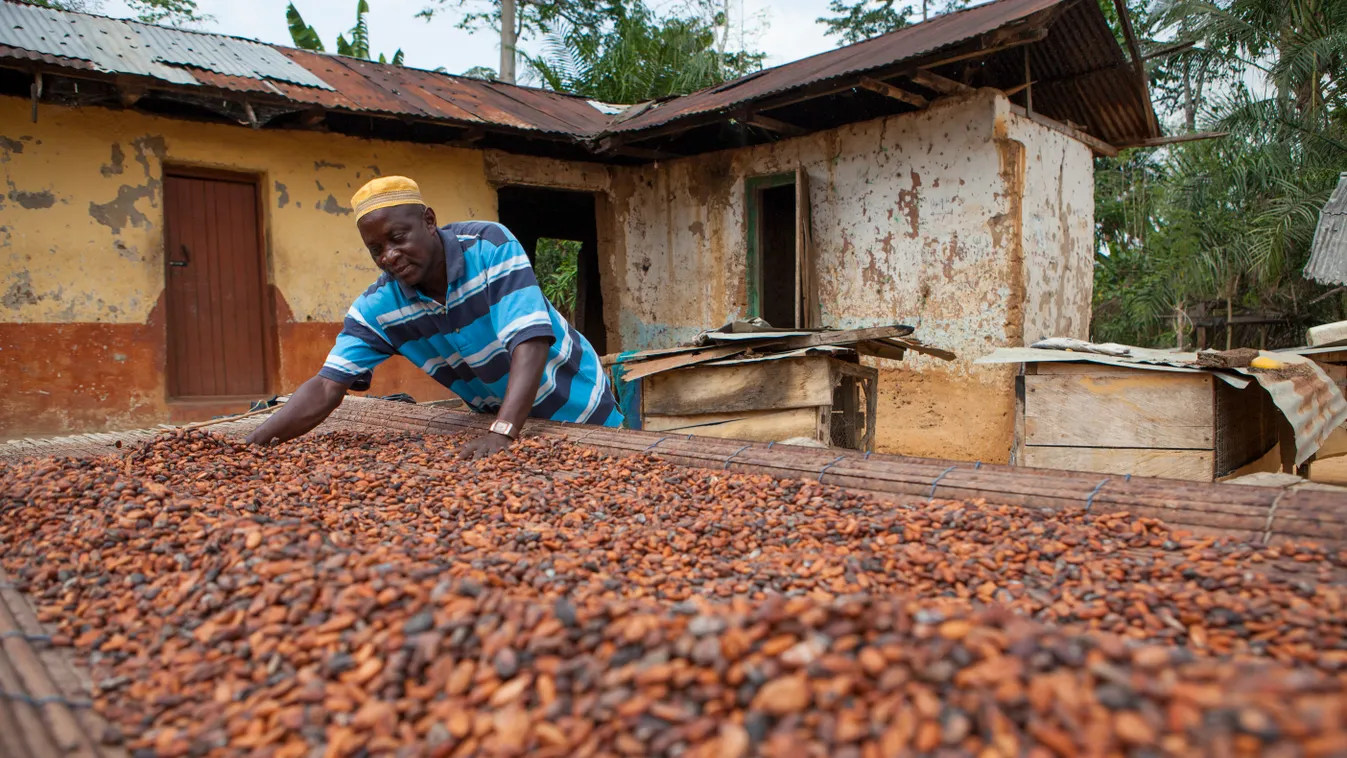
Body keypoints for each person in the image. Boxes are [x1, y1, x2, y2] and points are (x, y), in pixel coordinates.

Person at [246, 176, 621, 458]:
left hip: (584, 413)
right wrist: (252, 445)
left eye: (398, 238)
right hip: (501, 429)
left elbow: (530, 341)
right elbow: (327, 386)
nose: (389, 256)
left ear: (428, 221)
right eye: (376, 249)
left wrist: (504, 432)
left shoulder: (490, 246)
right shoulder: (378, 308)